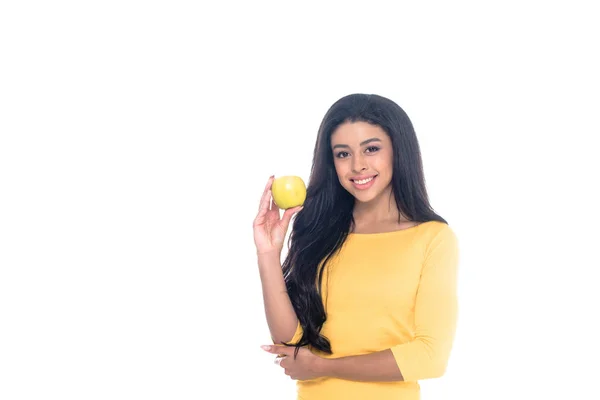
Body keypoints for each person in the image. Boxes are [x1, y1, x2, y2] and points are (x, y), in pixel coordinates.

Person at [253, 93, 460, 400]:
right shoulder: (319, 230)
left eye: (371, 149)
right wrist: (268, 254)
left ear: (397, 151)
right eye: (342, 154)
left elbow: (430, 357)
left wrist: (324, 367)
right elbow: (291, 342)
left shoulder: (432, 238)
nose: (358, 166)